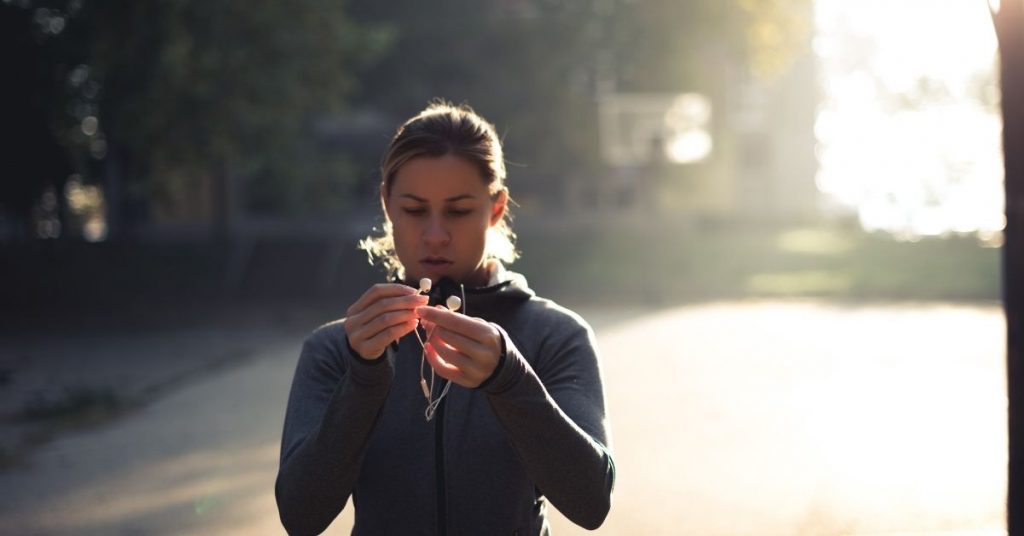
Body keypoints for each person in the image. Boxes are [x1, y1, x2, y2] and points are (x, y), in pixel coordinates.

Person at [275, 100, 615, 535]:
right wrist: (363, 378)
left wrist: (510, 380)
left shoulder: (555, 336)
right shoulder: (338, 348)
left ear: (495, 209)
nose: (435, 234)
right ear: (387, 204)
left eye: (458, 210)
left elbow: (592, 504)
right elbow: (301, 518)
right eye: (415, 210)